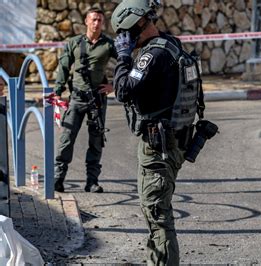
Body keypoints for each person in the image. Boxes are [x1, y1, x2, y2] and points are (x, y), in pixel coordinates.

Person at [111, 0, 212, 264]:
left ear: (138, 25)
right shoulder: (171, 44)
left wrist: (123, 57)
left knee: (157, 214)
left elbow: (123, 90)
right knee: (156, 211)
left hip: (159, 147)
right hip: (173, 141)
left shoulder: (152, 55)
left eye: (126, 33)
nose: (125, 39)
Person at [54, 7, 117, 193]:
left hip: (97, 100)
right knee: (66, 139)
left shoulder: (108, 44)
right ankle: (58, 179)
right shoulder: (74, 43)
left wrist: (114, 85)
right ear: (86, 22)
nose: (97, 23)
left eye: (100, 20)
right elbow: (64, 67)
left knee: (96, 142)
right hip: (76, 98)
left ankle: (92, 181)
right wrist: (57, 91)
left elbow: (125, 64)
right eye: (93, 20)